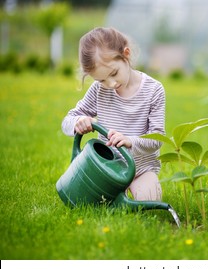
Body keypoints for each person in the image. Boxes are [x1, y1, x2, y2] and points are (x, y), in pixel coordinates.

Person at [61, 27, 165, 201]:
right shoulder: (98, 90)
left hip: (141, 169)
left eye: (114, 73)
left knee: (150, 199)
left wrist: (130, 141)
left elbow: (157, 140)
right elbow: (67, 121)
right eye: (101, 80)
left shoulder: (153, 90)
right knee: (86, 202)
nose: (110, 84)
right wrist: (78, 121)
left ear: (126, 55)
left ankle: (133, 191)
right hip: (106, 169)